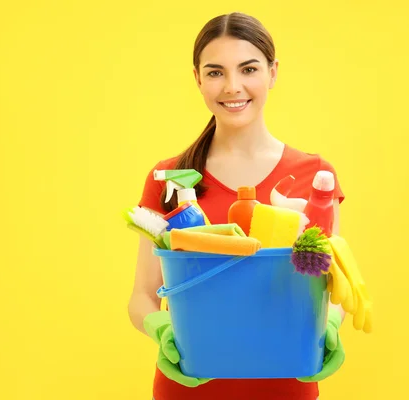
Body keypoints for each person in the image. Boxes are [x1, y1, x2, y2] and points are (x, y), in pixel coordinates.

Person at [127, 12, 347, 400]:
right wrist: (163, 329)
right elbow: (143, 296)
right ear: (197, 78)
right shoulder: (170, 178)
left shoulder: (315, 177)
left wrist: (328, 324)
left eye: (248, 69)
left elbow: (330, 286)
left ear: (273, 72)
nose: (232, 87)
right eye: (215, 73)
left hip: (285, 386)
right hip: (191, 388)